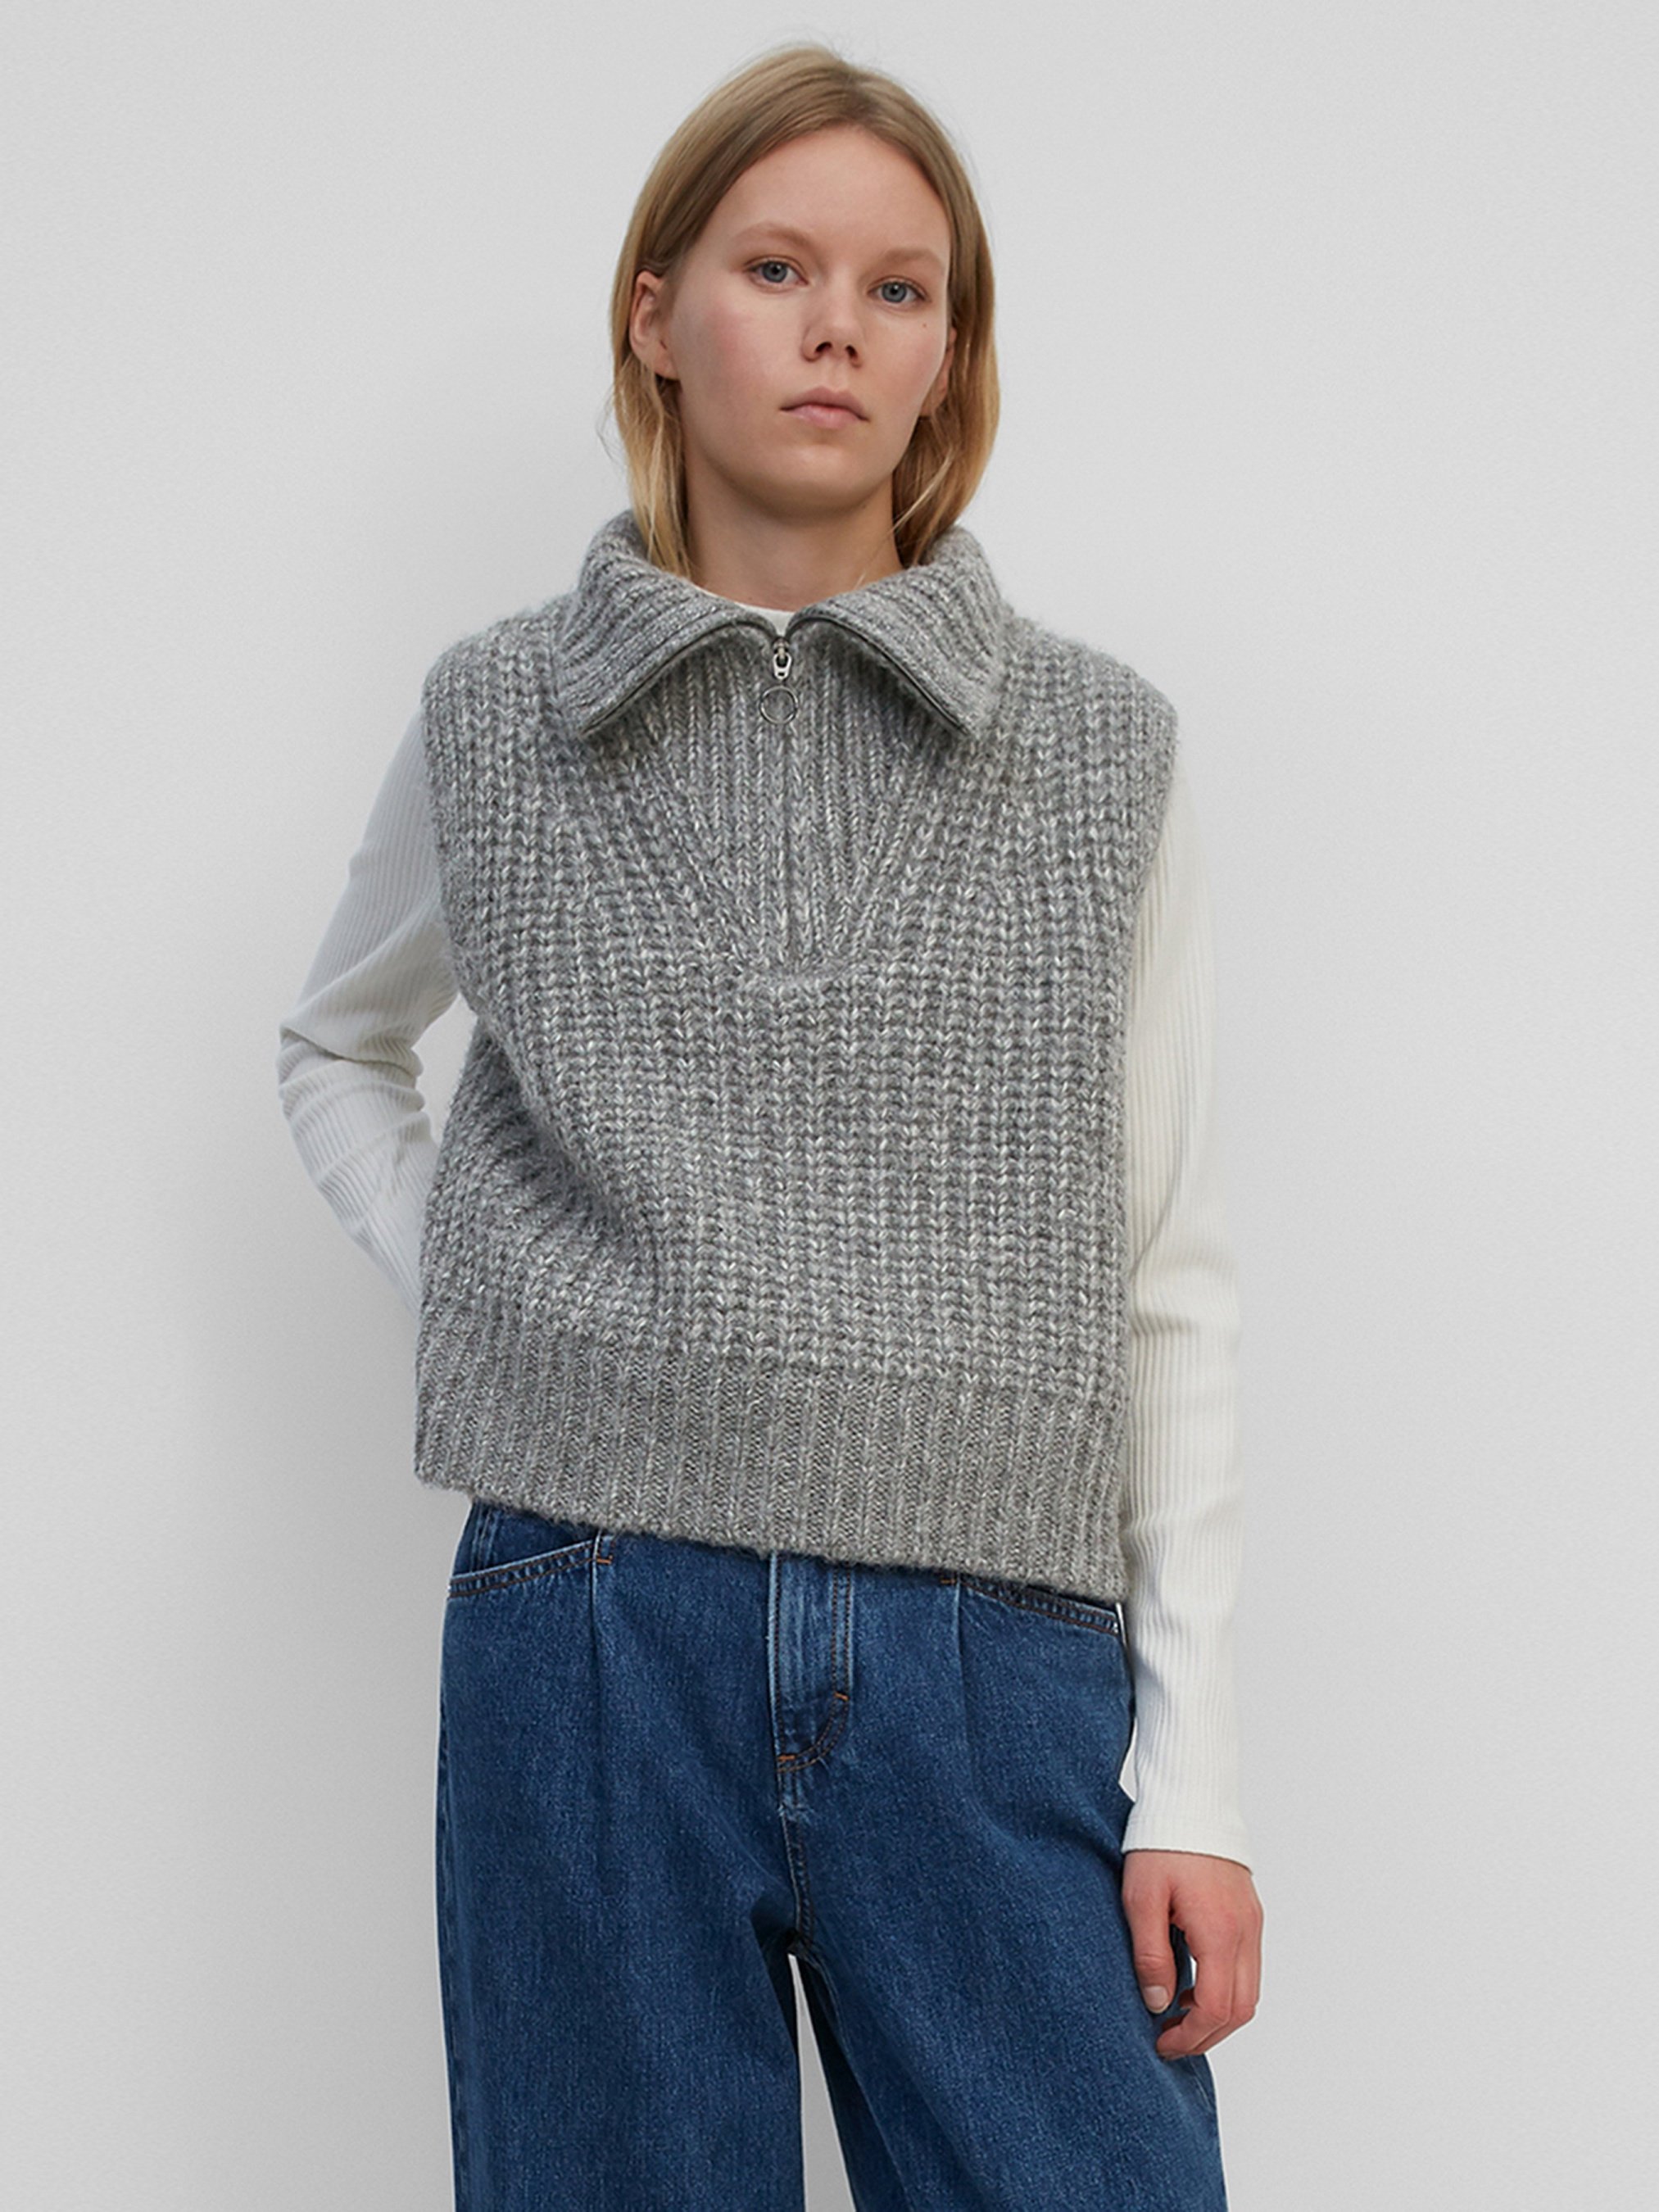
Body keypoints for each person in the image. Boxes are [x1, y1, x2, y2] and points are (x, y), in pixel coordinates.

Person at [277, 41, 1263, 2211]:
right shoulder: (499, 715)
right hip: (591, 1627)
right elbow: (336, 1048)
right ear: (656, 314)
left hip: (992, 1654)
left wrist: (1196, 1781)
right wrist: (498, 1286)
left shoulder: (1100, 749)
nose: (839, 329)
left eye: (901, 290)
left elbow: (1166, 1270)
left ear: (946, 357)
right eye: (777, 268)